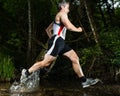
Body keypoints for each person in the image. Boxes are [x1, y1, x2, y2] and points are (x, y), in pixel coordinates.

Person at [20, 0, 99, 88]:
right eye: (67, 8)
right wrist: (78, 29)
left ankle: (84, 81)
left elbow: (48, 30)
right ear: (63, 7)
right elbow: (69, 26)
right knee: (46, 63)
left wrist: (53, 38)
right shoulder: (62, 14)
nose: (68, 10)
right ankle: (26, 72)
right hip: (58, 40)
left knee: (74, 58)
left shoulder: (57, 17)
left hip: (60, 42)